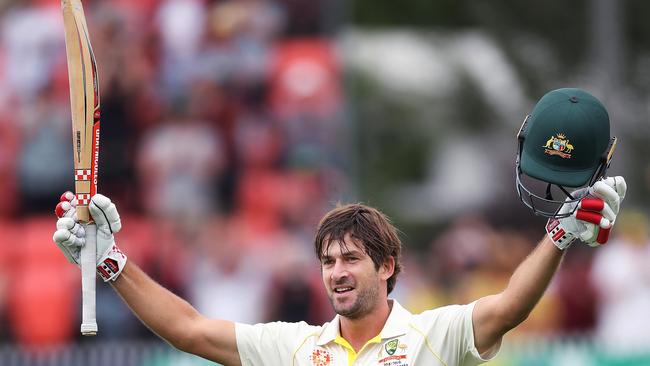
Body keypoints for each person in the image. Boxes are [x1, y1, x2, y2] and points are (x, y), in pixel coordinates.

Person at [52, 88, 627, 366]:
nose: (336, 273)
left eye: (351, 259)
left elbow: (509, 308)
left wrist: (558, 234)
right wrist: (110, 262)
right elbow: (191, 330)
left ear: (388, 266)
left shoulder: (435, 336)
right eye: (328, 261)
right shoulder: (297, 347)